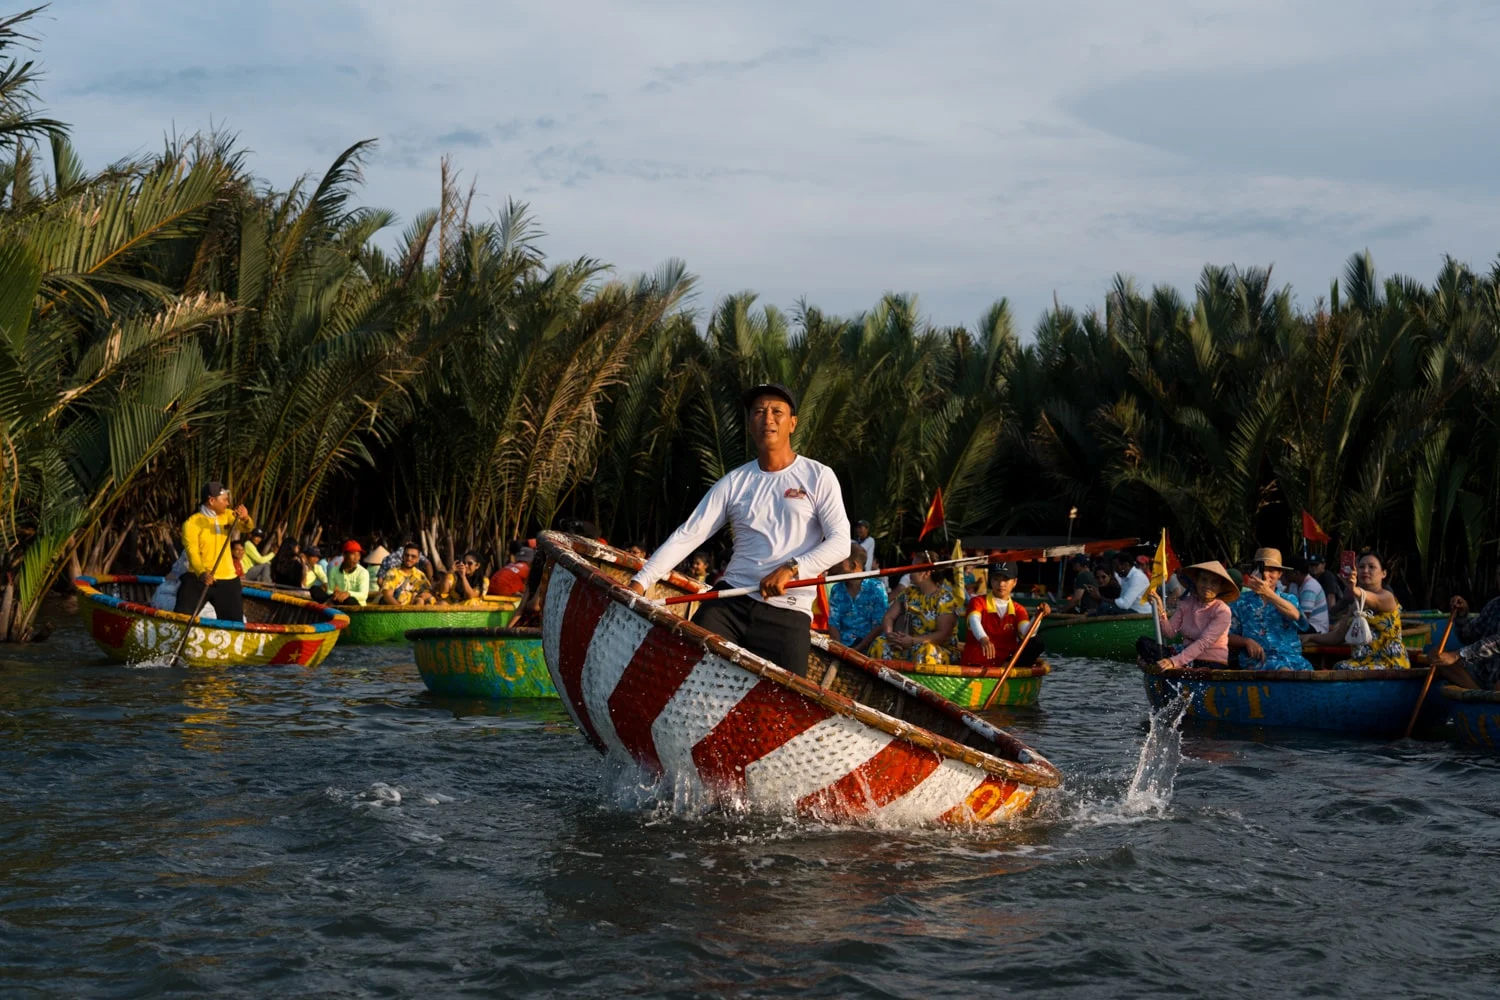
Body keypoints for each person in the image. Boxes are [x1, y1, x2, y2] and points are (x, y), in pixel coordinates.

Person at [628, 383, 850, 676]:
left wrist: (792, 568)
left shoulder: (819, 476)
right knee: (685, 672)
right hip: (729, 602)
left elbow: (840, 543)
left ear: (793, 423)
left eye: (776, 411)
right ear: (750, 424)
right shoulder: (735, 481)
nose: (767, 418)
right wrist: (639, 583)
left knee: (783, 706)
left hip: (789, 610)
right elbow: (689, 534)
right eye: (758, 412)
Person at [1307, 551, 1409, 670]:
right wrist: (1310, 637)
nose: (1365, 570)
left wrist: (1353, 589)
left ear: (1383, 573)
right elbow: (1337, 636)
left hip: (1389, 663)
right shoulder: (1356, 605)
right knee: (1339, 666)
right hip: (1361, 662)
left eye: (1371, 567)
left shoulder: (1387, 597)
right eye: (1361, 567)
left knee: (1342, 668)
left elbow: (1374, 600)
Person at [175, 481, 254, 622]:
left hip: (228, 579)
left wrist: (245, 518)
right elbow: (192, 552)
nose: (228, 504)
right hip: (199, 578)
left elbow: (247, 528)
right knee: (181, 619)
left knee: (234, 624)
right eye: (224, 500)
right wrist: (201, 572)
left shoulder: (229, 515)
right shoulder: (191, 523)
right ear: (212, 501)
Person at [1136, 560, 1238, 668]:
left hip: (1210, 661)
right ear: (1196, 581)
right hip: (1184, 655)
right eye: (1203, 580)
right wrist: (1160, 609)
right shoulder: (1187, 603)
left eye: (1214, 582)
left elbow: (1203, 643)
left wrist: (1174, 662)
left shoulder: (1222, 610)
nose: (1208, 586)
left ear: (1220, 587)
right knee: (1143, 643)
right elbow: (1169, 633)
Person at [868, 551, 961, 664]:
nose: (909, 572)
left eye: (914, 568)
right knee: (880, 643)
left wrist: (913, 641)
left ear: (926, 573)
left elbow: (943, 634)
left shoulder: (945, 598)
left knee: (926, 651)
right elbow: (889, 616)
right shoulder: (909, 592)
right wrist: (890, 635)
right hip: (908, 644)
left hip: (937, 648)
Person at [1227, 547, 1311, 670]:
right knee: (1282, 670)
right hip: (1259, 661)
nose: (1266, 575)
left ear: (1280, 574)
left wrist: (1269, 594)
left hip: (1293, 659)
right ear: (1254, 572)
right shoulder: (1241, 602)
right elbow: (1227, 636)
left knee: (1308, 674)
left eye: (1271, 571)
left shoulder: (1289, 599)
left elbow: (1296, 616)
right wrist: (1246, 641)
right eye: (1262, 570)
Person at [960, 560, 1048, 668]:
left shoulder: (1018, 609)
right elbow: (974, 620)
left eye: (1006, 579)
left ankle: (1008, 667)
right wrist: (983, 638)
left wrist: (1038, 616)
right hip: (976, 663)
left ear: (1014, 582)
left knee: (1036, 643)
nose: (1001, 584)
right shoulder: (977, 602)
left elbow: (1028, 633)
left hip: (1005, 665)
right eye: (996, 579)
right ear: (991, 581)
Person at [1433, 565, 1500, 689]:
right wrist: (1462, 615)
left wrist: (1457, 655)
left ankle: (1485, 698)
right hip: (1483, 674)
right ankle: (1479, 697)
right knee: (1435, 655)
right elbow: (1468, 637)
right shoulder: (1494, 605)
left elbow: (1497, 643)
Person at [826, 543, 889, 653]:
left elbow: (879, 625)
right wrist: (839, 650)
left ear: (853, 565)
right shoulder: (837, 589)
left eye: (840, 561)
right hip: (842, 645)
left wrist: (856, 650)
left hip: (869, 647)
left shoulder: (876, 588)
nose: (835, 564)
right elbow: (833, 623)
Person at [1092, 552, 1150, 616]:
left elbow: (1124, 604)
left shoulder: (1137, 577)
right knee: (1092, 614)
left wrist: (1100, 598)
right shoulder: (1125, 577)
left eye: (1116, 566)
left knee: (1104, 607)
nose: (1115, 569)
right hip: (1130, 610)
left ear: (1126, 565)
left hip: (1140, 612)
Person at [1284, 556, 1330, 632]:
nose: (1284, 574)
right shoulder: (1294, 584)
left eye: (1286, 572)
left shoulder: (1310, 587)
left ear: (1297, 573)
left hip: (1316, 627)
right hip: (1305, 624)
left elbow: (1303, 619)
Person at [325, 540, 371, 606]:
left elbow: (363, 595)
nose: (356, 558)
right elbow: (329, 591)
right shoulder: (333, 570)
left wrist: (348, 593)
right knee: (315, 590)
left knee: (349, 600)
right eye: (353, 554)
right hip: (338, 601)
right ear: (344, 555)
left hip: (357, 606)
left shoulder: (363, 572)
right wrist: (335, 593)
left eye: (358, 555)